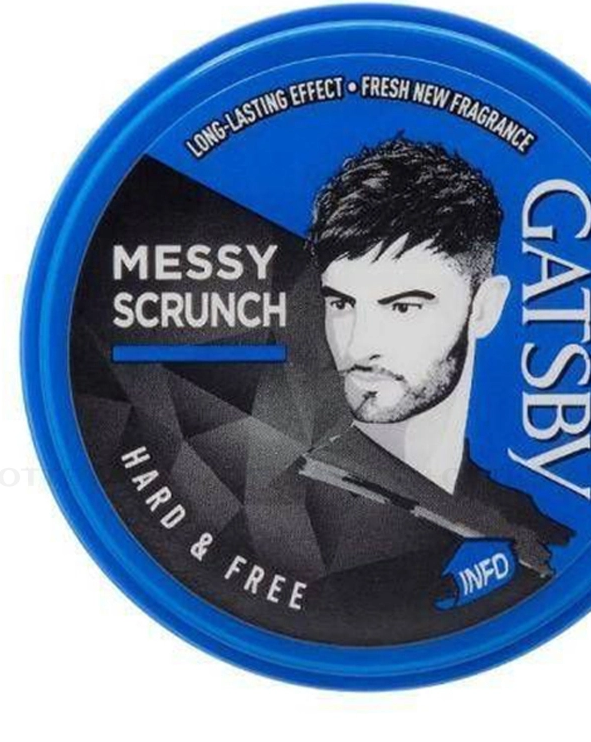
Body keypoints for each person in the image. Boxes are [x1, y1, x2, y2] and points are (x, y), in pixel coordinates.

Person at [236, 138, 573, 644]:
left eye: (403, 307)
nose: (358, 345)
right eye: (341, 304)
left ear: (484, 308)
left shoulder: (534, 538)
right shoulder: (259, 501)